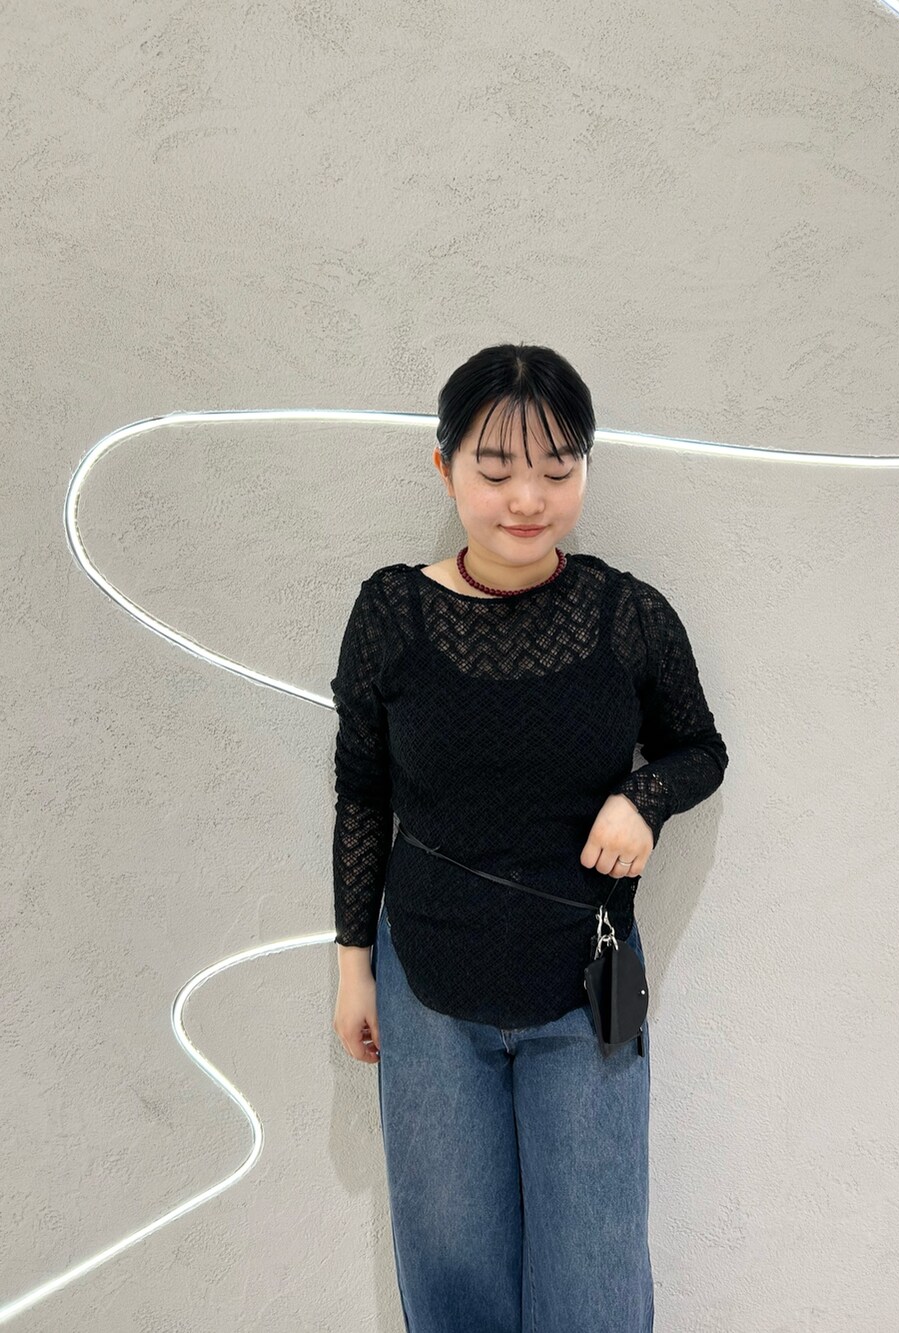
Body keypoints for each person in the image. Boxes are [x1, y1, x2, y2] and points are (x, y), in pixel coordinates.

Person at [330, 342, 729, 1332]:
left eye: (557, 467)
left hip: (587, 985)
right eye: (497, 467)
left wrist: (643, 797)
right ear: (444, 468)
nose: (528, 498)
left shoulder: (628, 615)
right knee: (452, 1272)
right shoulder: (391, 613)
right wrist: (352, 969)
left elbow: (700, 747)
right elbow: (361, 793)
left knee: (596, 1278)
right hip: (426, 983)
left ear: (586, 466)